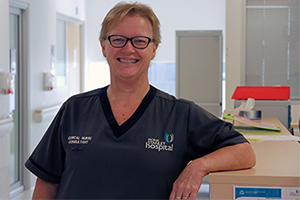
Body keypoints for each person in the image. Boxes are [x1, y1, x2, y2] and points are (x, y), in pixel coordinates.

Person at [25, 2, 256, 200]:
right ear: (103, 46)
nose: (128, 48)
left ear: (154, 49)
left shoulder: (180, 114)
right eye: (117, 39)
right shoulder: (74, 110)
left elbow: (244, 151)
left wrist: (198, 166)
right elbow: (47, 184)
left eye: (139, 41)